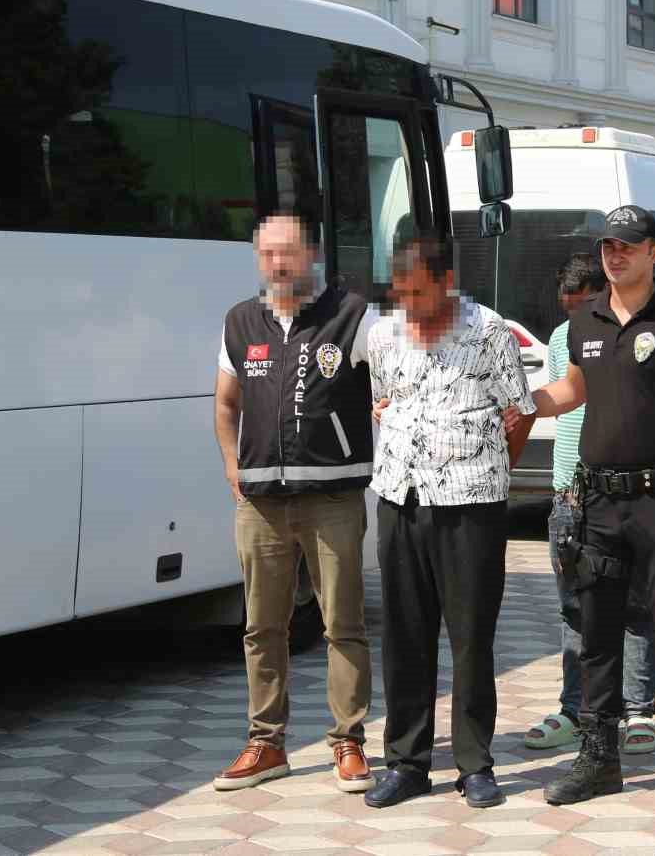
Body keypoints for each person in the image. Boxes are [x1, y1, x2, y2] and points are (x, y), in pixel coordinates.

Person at [529, 205, 655, 815]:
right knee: (597, 633)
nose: (615, 256)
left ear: (653, 253)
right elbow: (573, 390)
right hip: (599, 502)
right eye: (608, 247)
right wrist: (523, 401)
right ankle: (598, 759)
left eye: (627, 246)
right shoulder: (584, 319)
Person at [360, 235, 536, 810]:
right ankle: (406, 762)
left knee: (470, 638)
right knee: (404, 637)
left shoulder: (489, 331)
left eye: (418, 292)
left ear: (446, 283)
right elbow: (384, 401)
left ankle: (474, 765)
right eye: (400, 293)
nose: (408, 304)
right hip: (399, 500)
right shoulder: (383, 334)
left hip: (470, 507)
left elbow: (519, 412)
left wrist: (488, 473)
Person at [212, 214, 375, 794]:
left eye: (288, 252)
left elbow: (393, 384)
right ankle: (266, 744)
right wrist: (231, 463)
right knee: (262, 627)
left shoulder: (352, 314)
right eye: (268, 254)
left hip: (333, 496)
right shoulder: (240, 321)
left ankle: (348, 742)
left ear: (312, 254)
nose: (278, 264)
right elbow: (226, 403)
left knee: (343, 624)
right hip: (260, 504)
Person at [527, 254, 655, 758]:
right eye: (568, 308)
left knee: (635, 604)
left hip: (626, 489)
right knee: (573, 607)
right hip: (569, 492)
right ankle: (575, 708)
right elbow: (562, 395)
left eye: (583, 304)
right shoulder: (565, 337)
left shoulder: (643, 332)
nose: (576, 315)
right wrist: (513, 403)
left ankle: (638, 709)